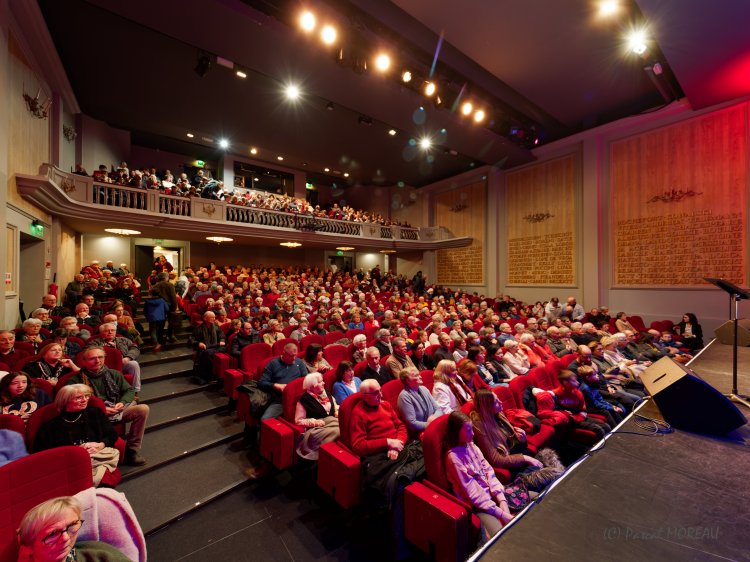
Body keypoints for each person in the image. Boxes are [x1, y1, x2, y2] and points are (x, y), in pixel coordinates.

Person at [349, 379, 424, 560]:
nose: (380, 395)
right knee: (400, 485)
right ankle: (399, 543)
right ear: (364, 395)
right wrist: (387, 443)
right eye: (375, 393)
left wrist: (396, 443)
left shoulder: (385, 405)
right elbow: (358, 446)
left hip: (399, 448)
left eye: (380, 390)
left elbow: (401, 426)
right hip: (378, 458)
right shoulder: (358, 413)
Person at [63, 347, 149, 466]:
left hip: (116, 409)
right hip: (93, 416)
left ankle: (132, 450)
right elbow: (73, 403)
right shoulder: (75, 380)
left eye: (100, 357)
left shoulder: (113, 374)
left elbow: (129, 390)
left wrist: (122, 402)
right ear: (84, 361)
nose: (97, 361)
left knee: (143, 409)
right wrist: (102, 409)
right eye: (92, 358)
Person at [470, 389, 564, 491]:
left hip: (522, 456)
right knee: (554, 478)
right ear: (487, 407)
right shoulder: (480, 426)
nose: (501, 402)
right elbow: (495, 459)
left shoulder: (498, 414)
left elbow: (514, 441)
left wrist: (523, 439)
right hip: (516, 467)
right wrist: (525, 458)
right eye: (496, 402)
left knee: (553, 464)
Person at [443, 411, 513, 540]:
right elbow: (473, 493)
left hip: (492, 496)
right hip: (478, 507)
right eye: (468, 430)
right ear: (456, 433)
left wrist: (501, 499)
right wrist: (502, 514)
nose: (473, 433)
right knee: (502, 536)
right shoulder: (453, 458)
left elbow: (488, 471)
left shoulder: (471, 445)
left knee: (529, 502)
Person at [33, 384, 120, 486]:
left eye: (86, 396)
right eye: (78, 398)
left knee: (105, 477)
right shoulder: (49, 428)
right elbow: (44, 457)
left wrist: (100, 445)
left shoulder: (95, 413)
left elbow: (112, 435)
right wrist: (76, 453)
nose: (84, 400)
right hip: (70, 465)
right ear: (65, 401)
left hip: (98, 459)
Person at [16, 496, 132, 562]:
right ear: (27, 548)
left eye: (72, 525)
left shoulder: (98, 552)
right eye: (52, 533)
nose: (65, 538)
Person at [294, 372, 339, 460]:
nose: (323, 383)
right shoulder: (304, 399)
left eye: (322, 381)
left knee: (344, 428)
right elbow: (299, 420)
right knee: (339, 431)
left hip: (332, 422)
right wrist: (315, 422)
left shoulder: (326, 392)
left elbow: (335, 405)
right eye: (320, 382)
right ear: (312, 386)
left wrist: (337, 411)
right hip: (317, 429)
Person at [258, 342, 307, 420]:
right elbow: (262, 383)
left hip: (299, 397)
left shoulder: (299, 362)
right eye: (291, 355)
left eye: (295, 355)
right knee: (265, 419)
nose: (294, 358)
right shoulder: (273, 364)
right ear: (284, 353)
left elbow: (306, 379)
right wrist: (275, 385)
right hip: (281, 399)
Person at [87, 323, 142, 393]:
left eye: (112, 330)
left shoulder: (123, 340)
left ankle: (135, 391)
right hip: (104, 365)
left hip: (122, 362)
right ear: (101, 332)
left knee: (133, 364)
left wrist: (128, 357)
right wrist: (105, 347)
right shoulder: (94, 342)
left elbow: (135, 348)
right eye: (107, 331)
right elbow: (88, 352)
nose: (110, 332)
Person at [396, 367, 442, 434]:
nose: (420, 377)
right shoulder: (404, 396)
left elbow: (438, 409)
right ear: (407, 380)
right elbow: (412, 423)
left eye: (419, 374)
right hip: (420, 432)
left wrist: (435, 418)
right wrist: (430, 424)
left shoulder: (424, 389)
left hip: (435, 424)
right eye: (416, 375)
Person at [191, 311, 225, 385]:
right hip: (205, 348)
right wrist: (198, 343)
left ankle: (214, 376)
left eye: (214, 317)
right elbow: (191, 339)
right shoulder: (199, 328)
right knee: (206, 353)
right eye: (212, 317)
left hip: (216, 347)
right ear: (205, 318)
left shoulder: (216, 326)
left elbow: (222, 336)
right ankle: (207, 377)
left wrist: (222, 341)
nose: (214, 319)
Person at [143, 287, 169, 352]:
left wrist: (147, 317)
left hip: (152, 318)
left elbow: (145, 311)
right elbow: (167, 309)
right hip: (162, 317)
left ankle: (156, 343)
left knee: (152, 331)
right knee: (160, 330)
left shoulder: (147, 301)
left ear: (151, 293)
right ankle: (160, 343)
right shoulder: (162, 300)